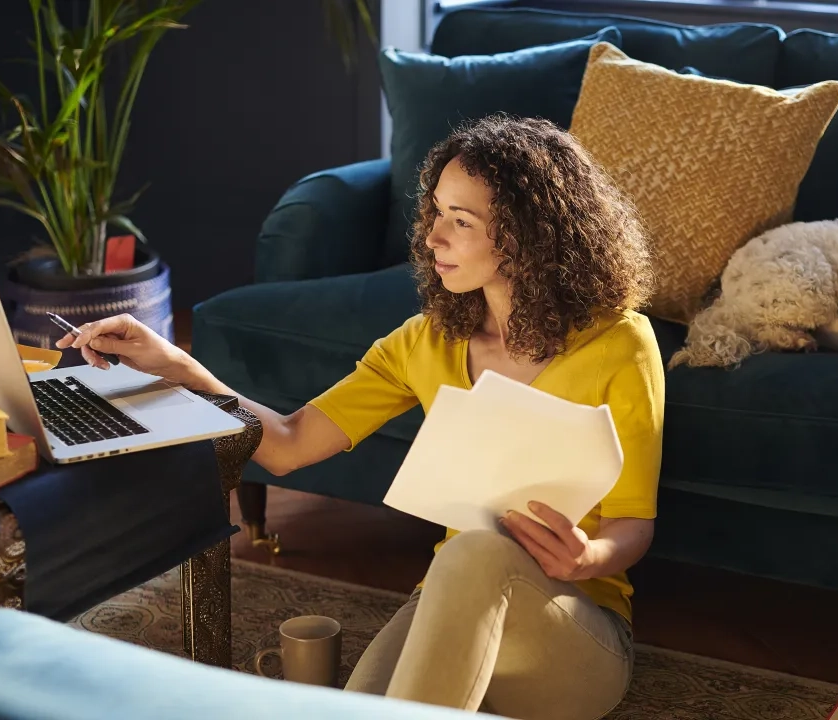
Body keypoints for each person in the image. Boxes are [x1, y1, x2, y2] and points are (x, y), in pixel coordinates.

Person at [58, 114, 665, 719]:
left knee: (478, 550)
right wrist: (175, 365)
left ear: (526, 235)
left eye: (461, 221)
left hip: (575, 635)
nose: (432, 238)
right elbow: (289, 444)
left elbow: (633, 525)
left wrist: (588, 558)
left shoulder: (619, 344)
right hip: (451, 604)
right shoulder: (425, 342)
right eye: (436, 213)